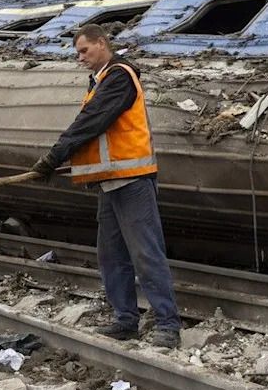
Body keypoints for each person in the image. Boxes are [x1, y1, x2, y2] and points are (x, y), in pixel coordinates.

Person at [30, 24, 181, 348]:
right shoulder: (98, 82)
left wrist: (55, 155)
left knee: (146, 253)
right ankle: (125, 320)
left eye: (84, 50)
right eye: (77, 53)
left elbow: (93, 121)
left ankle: (168, 325)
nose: (80, 58)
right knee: (111, 255)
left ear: (102, 43)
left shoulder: (120, 77)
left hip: (132, 181)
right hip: (109, 184)